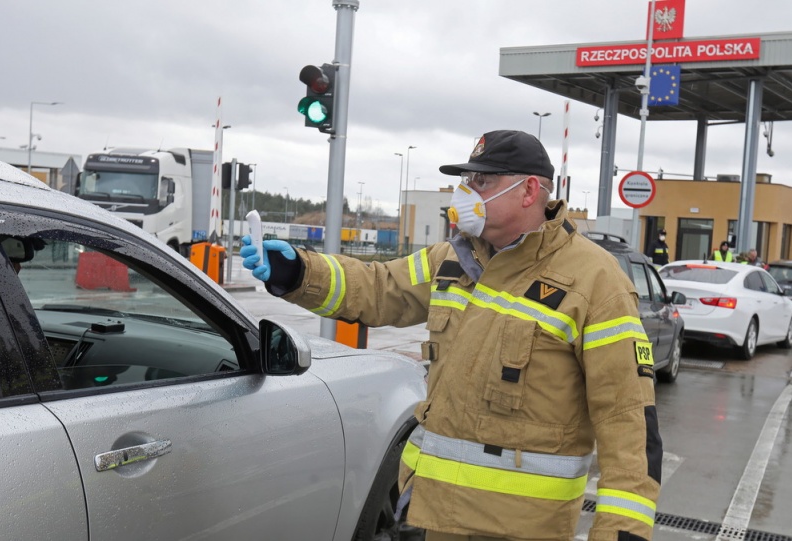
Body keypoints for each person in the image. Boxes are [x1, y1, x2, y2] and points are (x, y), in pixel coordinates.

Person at [241, 130, 661, 541]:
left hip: (519, 528)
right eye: (467, 180)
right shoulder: (455, 257)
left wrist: (621, 532)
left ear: (529, 190)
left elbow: (627, 422)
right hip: (431, 513)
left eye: (483, 181)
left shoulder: (596, 281)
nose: (467, 192)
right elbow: (379, 287)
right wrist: (298, 272)